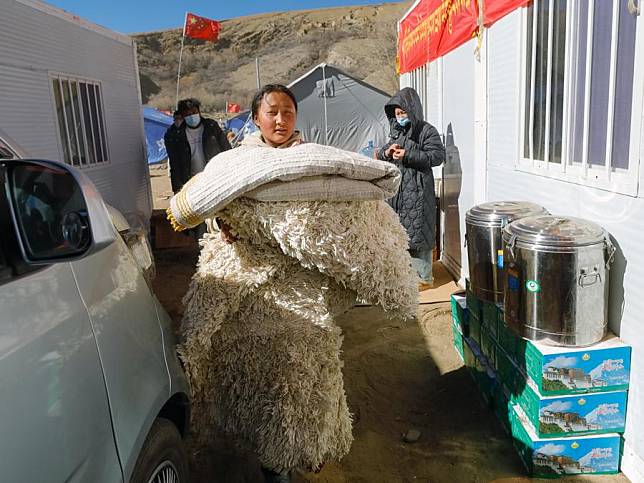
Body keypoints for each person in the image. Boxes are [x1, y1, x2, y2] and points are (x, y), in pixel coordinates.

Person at [376, 87, 445, 290]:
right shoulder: (397, 133)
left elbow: (436, 156)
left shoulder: (426, 130)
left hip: (418, 191)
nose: (400, 117)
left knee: (418, 233)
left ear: (412, 110)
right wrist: (387, 152)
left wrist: (408, 155)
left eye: (403, 112)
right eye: (397, 114)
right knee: (402, 234)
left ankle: (424, 277)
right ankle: (408, 275)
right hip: (398, 193)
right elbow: (381, 154)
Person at [164, 98, 231, 194]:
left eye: (194, 112)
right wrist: (177, 189)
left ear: (199, 112)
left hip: (214, 178)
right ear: (182, 115)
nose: (192, 116)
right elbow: (174, 164)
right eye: (188, 114)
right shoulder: (174, 135)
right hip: (190, 183)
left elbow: (226, 150)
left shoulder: (211, 127)